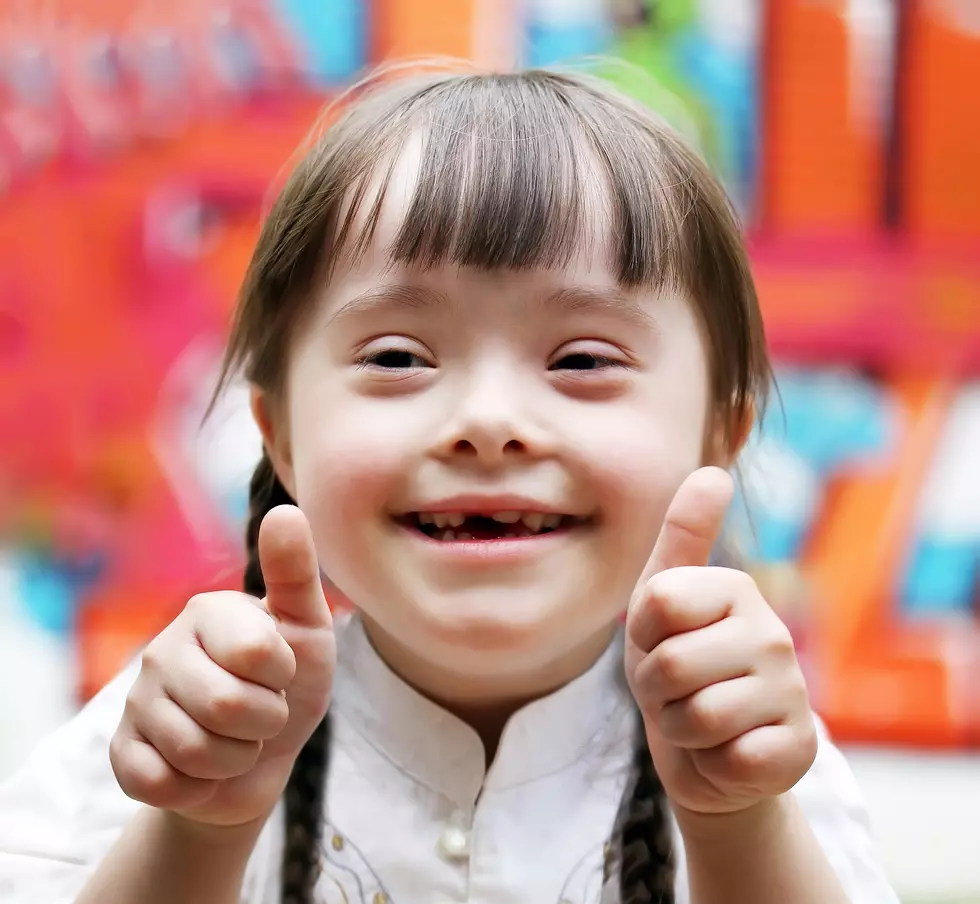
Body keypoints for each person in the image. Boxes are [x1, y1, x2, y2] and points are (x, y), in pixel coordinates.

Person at [0, 64, 899, 904]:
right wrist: (196, 829)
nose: (488, 418)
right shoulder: (168, 731)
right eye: (397, 356)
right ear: (280, 434)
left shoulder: (771, 761)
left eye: (583, 358)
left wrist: (737, 821)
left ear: (719, 435)